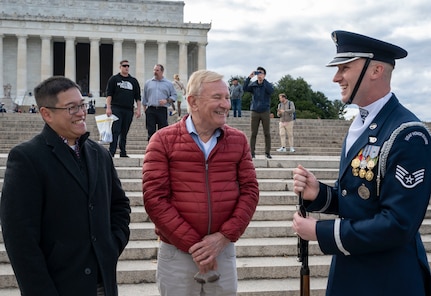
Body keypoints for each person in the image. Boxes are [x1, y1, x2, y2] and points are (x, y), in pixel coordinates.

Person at [292, 30, 431, 296]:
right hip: (351, 272)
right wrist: (318, 193)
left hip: (388, 279)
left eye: (345, 67)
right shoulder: (363, 123)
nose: (336, 77)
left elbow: (398, 224)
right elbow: (358, 200)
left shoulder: (408, 133)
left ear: (376, 70)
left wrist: (321, 232)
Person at [0, 76, 131, 296]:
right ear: (46, 114)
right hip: (57, 287)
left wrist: (111, 245)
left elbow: (120, 206)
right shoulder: (26, 158)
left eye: (82, 105)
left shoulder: (100, 154)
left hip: (103, 285)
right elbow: (20, 239)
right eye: (71, 108)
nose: (82, 113)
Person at [143, 70, 259, 296]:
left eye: (226, 97)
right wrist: (196, 247)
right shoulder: (162, 140)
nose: (225, 104)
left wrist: (222, 238)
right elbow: (155, 199)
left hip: (222, 251)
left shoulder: (238, 140)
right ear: (192, 102)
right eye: (217, 97)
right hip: (177, 254)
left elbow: (250, 192)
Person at [105, 59, 141, 157]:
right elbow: (109, 94)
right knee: (115, 130)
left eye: (128, 66)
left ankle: (123, 151)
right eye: (124, 66)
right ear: (120, 67)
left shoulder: (133, 81)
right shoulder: (114, 79)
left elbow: (138, 97)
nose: (126, 68)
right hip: (116, 108)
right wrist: (108, 107)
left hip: (128, 109)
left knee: (124, 131)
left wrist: (138, 109)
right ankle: (112, 151)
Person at [243, 66, 274, 159]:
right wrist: (249, 77)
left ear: (264, 75)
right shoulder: (254, 85)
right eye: (258, 73)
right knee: (253, 133)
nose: (259, 75)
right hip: (255, 110)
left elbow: (271, 91)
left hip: (265, 111)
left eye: (261, 73)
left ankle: (267, 152)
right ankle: (252, 152)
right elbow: (244, 88)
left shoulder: (267, 85)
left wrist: (263, 81)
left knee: (267, 133)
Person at [141, 64, 177, 140]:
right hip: (151, 109)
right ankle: (151, 150)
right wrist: (145, 110)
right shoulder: (148, 83)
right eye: (154, 70)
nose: (155, 72)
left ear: (162, 71)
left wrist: (166, 100)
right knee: (150, 132)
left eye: (157, 70)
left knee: (163, 132)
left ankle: (161, 150)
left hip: (162, 110)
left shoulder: (168, 84)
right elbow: (144, 98)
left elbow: (174, 96)